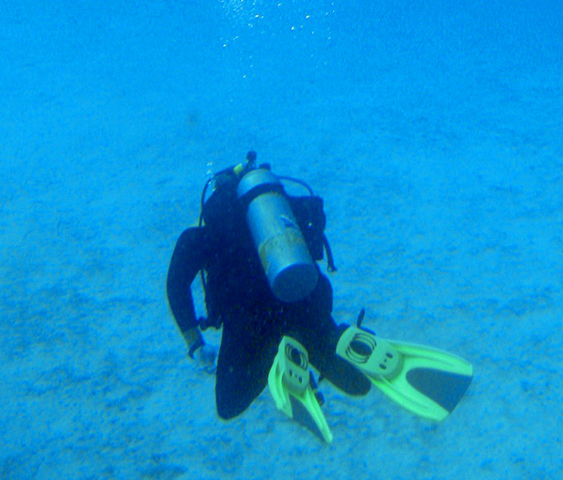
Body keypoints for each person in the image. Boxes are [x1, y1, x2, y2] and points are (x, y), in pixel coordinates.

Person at [166, 152, 472, 443]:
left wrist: (195, 343)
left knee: (228, 405)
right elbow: (316, 230)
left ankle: (277, 353)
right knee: (359, 385)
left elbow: (175, 286)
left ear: (213, 204)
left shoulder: (200, 236)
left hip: (250, 320)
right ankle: (347, 340)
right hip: (304, 303)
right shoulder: (286, 209)